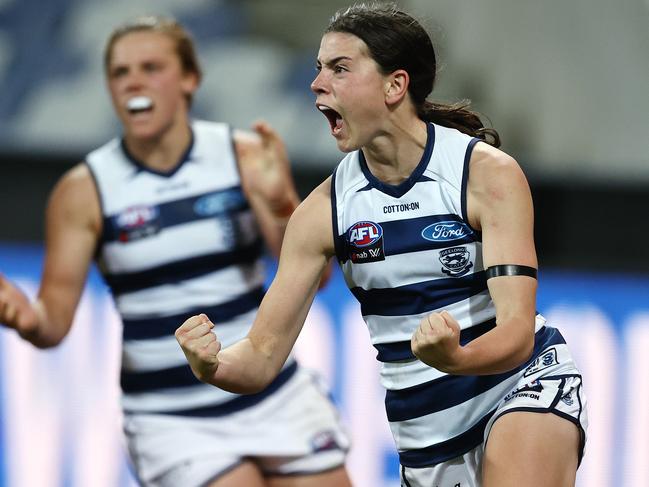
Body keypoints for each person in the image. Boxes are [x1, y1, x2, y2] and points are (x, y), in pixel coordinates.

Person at [176, 3, 589, 487]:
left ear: (395, 85)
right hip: (425, 438)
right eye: (318, 68)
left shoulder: (485, 174)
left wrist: (453, 358)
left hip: (519, 383)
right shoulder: (322, 213)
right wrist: (211, 365)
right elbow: (261, 358)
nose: (316, 83)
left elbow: (517, 332)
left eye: (339, 68)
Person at [0, 15, 351, 487]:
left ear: (189, 79)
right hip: (172, 418)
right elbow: (53, 324)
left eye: (150, 67)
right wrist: (26, 318)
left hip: (270, 389)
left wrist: (280, 203)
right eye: (120, 73)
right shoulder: (83, 191)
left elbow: (317, 278)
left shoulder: (245, 156)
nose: (134, 82)